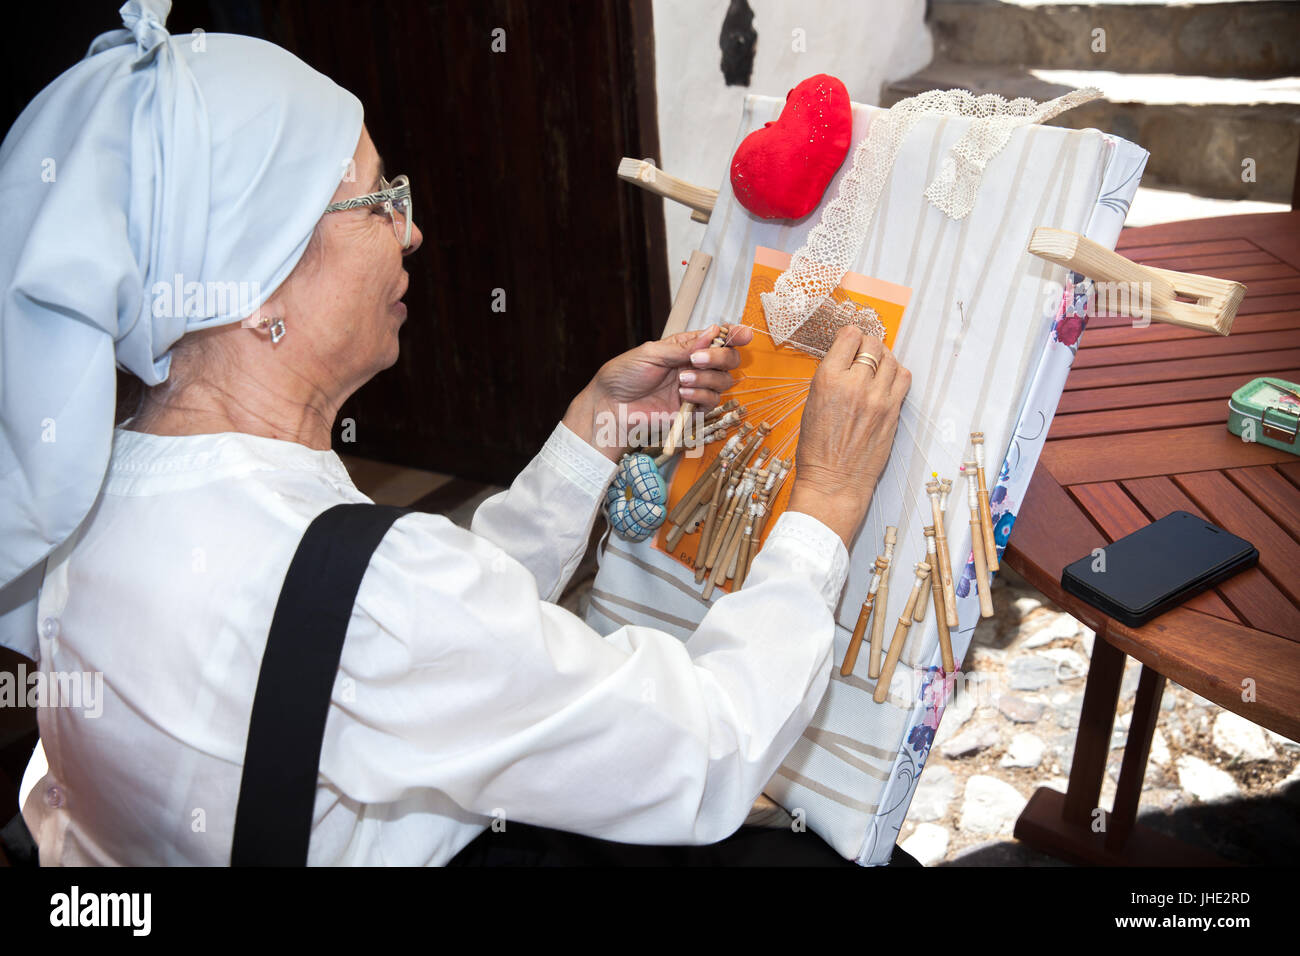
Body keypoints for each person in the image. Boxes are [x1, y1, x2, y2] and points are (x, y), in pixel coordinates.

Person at [0, 1, 911, 866]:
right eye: (376, 202)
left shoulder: (90, 485)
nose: (414, 231)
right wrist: (824, 506)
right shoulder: (364, 596)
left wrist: (591, 432)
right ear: (257, 284)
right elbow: (707, 750)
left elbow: (390, 639)